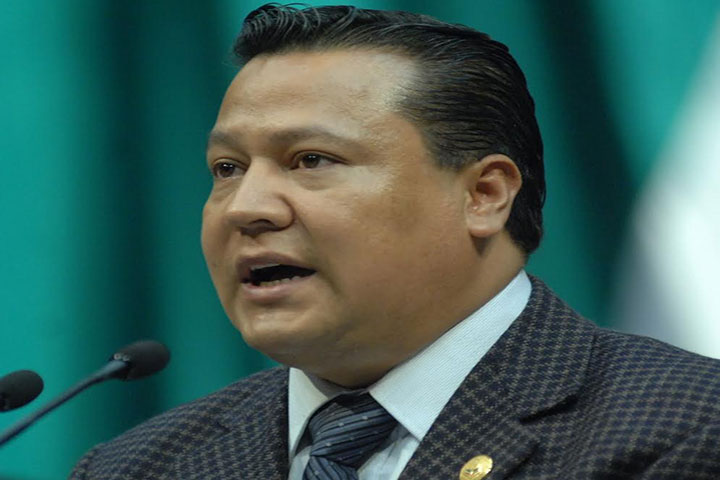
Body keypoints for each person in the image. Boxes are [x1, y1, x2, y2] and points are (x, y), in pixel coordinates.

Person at [71, 4, 720, 479]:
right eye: (227, 169)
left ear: (484, 195)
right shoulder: (136, 467)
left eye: (311, 160)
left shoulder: (684, 429)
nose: (245, 208)